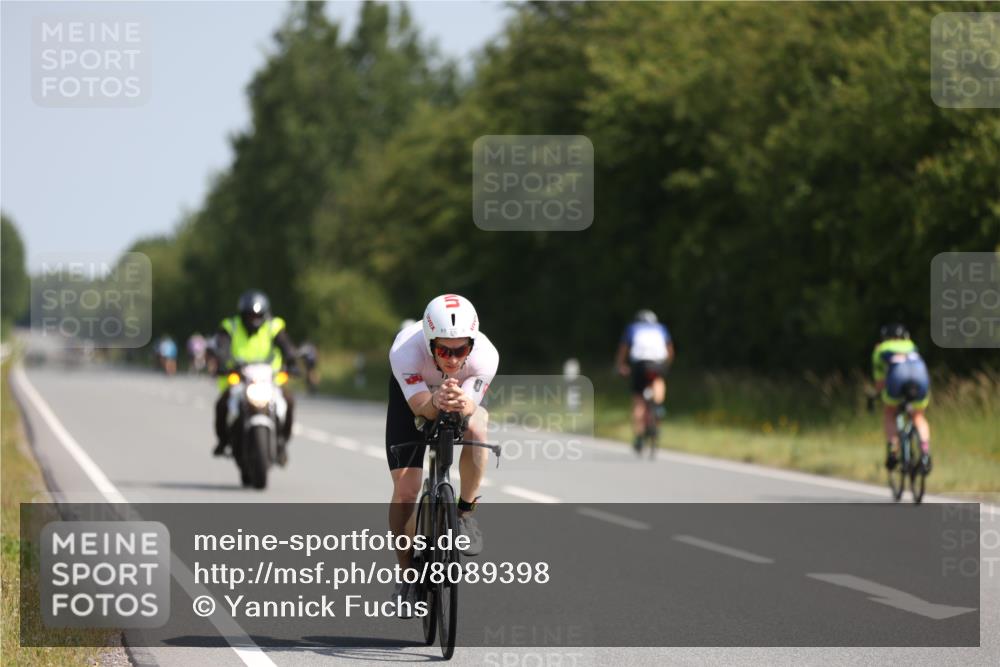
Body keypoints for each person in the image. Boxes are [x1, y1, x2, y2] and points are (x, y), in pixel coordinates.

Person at [385, 294, 499, 603]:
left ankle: (464, 512)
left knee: (476, 427)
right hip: (415, 397)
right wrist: (434, 401)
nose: (451, 359)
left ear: (471, 345)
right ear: (429, 342)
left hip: (461, 390)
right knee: (407, 490)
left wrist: (462, 404)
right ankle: (407, 576)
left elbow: (470, 407)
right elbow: (420, 406)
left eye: (460, 350)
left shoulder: (485, 356)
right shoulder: (405, 351)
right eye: (442, 350)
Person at [211, 290, 300, 466]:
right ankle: (223, 441)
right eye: (249, 316)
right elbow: (221, 346)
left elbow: (286, 345)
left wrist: (292, 360)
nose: (253, 320)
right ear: (242, 315)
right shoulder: (231, 326)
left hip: (269, 379)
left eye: (257, 316)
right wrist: (221, 362)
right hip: (241, 379)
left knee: (289, 401)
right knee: (221, 404)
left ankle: (281, 443)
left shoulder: (273, 326)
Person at [872, 323, 932, 473]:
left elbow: (880, 383)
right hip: (921, 376)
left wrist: (875, 395)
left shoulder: (881, 349)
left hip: (897, 377)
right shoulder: (912, 345)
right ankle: (925, 453)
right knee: (918, 416)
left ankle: (893, 450)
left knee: (889, 412)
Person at [615, 309, 674, 453]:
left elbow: (623, 350)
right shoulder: (661, 328)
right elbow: (670, 351)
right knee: (658, 381)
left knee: (638, 401)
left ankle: (639, 437)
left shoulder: (632, 328)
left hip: (640, 365)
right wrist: (666, 365)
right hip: (658, 363)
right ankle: (658, 406)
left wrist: (620, 366)